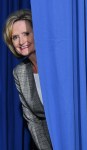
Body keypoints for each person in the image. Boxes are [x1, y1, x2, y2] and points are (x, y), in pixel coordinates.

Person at [3, 9, 52, 150]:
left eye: (26, 34)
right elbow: (32, 120)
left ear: (37, 33)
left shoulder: (56, 66)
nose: (21, 41)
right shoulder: (19, 72)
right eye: (15, 37)